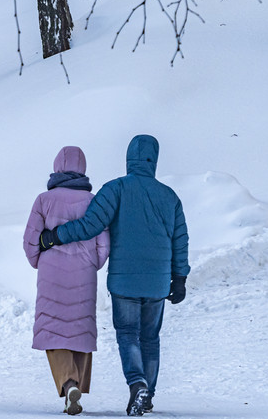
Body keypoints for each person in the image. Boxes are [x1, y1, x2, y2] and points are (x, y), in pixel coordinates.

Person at [38, 134, 189, 417]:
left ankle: (137, 384)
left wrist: (55, 236)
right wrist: (179, 277)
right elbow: (180, 240)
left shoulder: (116, 189)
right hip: (157, 282)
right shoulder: (170, 197)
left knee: (129, 335)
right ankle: (147, 394)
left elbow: (90, 225)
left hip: (124, 281)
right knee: (150, 338)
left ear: (129, 158)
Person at [23, 146, 110, 416]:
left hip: (51, 272)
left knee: (53, 330)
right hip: (84, 272)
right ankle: (75, 386)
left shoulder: (44, 200)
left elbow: (30, 240)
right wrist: (92, 263)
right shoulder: (94, 201)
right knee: (80, 331)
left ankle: (68, 383)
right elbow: (104, 244)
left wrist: (38, 260)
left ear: (56, 167)